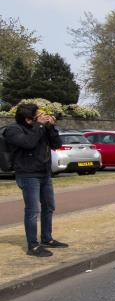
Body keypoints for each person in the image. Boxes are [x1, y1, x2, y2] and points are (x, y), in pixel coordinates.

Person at [4, 103, 68, 257]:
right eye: (38, 115)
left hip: (44, 173)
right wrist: (39, 126)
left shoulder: (40, 128)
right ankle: (32, 246)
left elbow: (57, 145)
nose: (42, 116)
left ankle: (47, 238)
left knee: (49, 207)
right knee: (33, 210)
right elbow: (28, 143)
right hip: (27, 174)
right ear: (28, 119)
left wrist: (51, 128)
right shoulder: (13, 130)